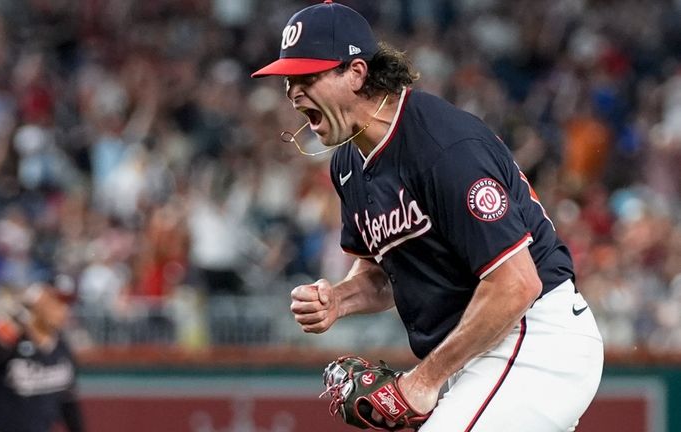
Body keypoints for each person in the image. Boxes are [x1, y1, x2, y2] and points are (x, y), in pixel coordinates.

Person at [251, 1, 603, 431]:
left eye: (308, 76)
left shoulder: (442, 146)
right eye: (288, 80)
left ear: (357, 73)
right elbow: (383, 274)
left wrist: (424, 380)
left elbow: (517, 283)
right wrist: (338, 300)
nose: (292, 91)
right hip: (475, 350)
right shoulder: (347, 163)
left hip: (532, 339)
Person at [0, 281, 85, 432]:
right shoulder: (13, 338)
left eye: (66, 304)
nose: (63, 310)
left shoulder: (62, 347)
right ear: (36, 304)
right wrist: (21, 311)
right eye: (55, 303)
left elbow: (68, 403)